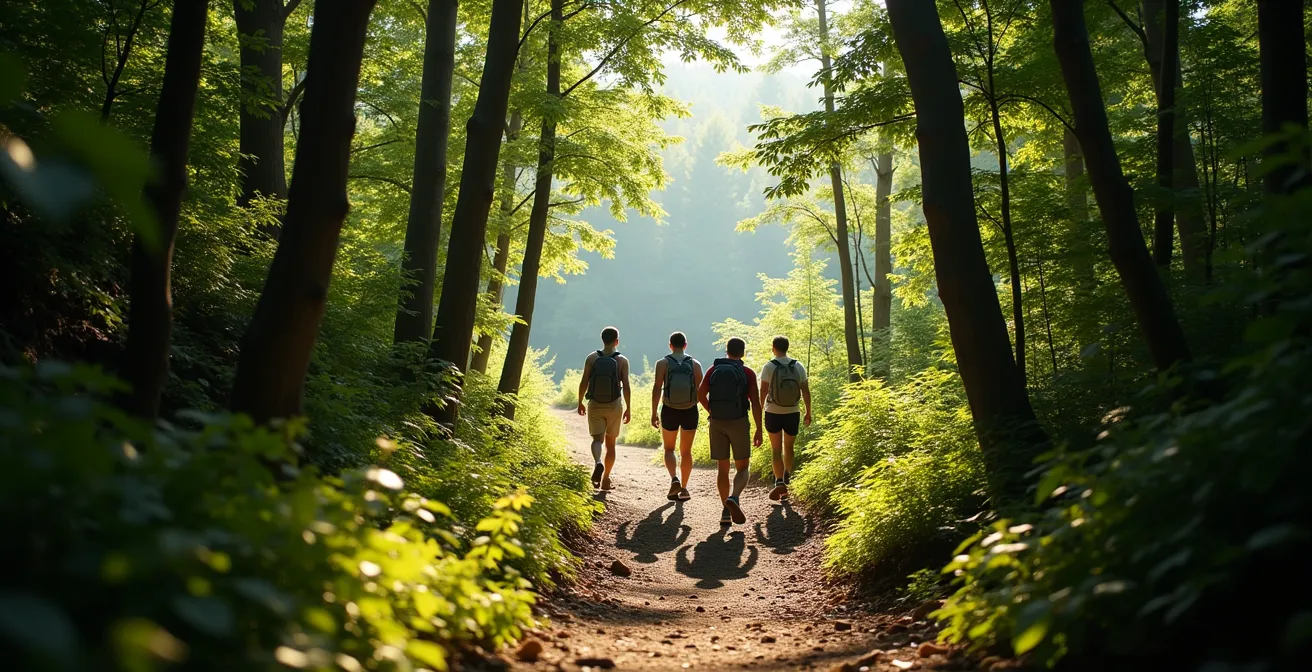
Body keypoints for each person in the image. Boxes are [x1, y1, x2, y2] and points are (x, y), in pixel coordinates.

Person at [697, 337, 762, 526]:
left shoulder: (713, 369)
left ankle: (725, 512)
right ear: (743, 353)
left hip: (717, 422)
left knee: (722, 468)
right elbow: (756, 403)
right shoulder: (747, 372)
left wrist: (712, 411)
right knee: (742, 468)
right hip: (739, 422)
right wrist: (758, 428)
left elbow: (700, 395)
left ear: (726, 351)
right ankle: (734, 497)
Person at [650, 331, 703, 501]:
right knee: (686, 451)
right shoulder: (695, 364)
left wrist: (653, 412)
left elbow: (657, 388)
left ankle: (674, 479)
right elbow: (700, 390)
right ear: (685, 345)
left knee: (669, 449)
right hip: (689, 410)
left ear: (670, 345)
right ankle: (684, 489)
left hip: (669, 410)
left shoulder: (662, 363)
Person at [576, 326, 631, 490]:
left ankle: (598, 462)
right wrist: (628, 407)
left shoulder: (592, 358)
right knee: (611, 444)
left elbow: (584, 381)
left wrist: (580, 401)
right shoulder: (622, 360)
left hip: (595, 403)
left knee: (597, 440)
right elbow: (626, 386)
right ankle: (606, 479)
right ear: (617, 341)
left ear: (602, 340)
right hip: (614, 405)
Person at [758, 335, 812, 501]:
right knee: (789, 447)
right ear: (787, 347)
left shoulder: (769, 366)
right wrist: (808, 412)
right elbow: (805, 390)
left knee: (776, 449)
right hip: (792, 411)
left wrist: (760, 410)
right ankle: (787, 476)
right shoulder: (798, 366)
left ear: (773, 347)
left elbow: (763, 391)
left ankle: (779, 481)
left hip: (773, 411)